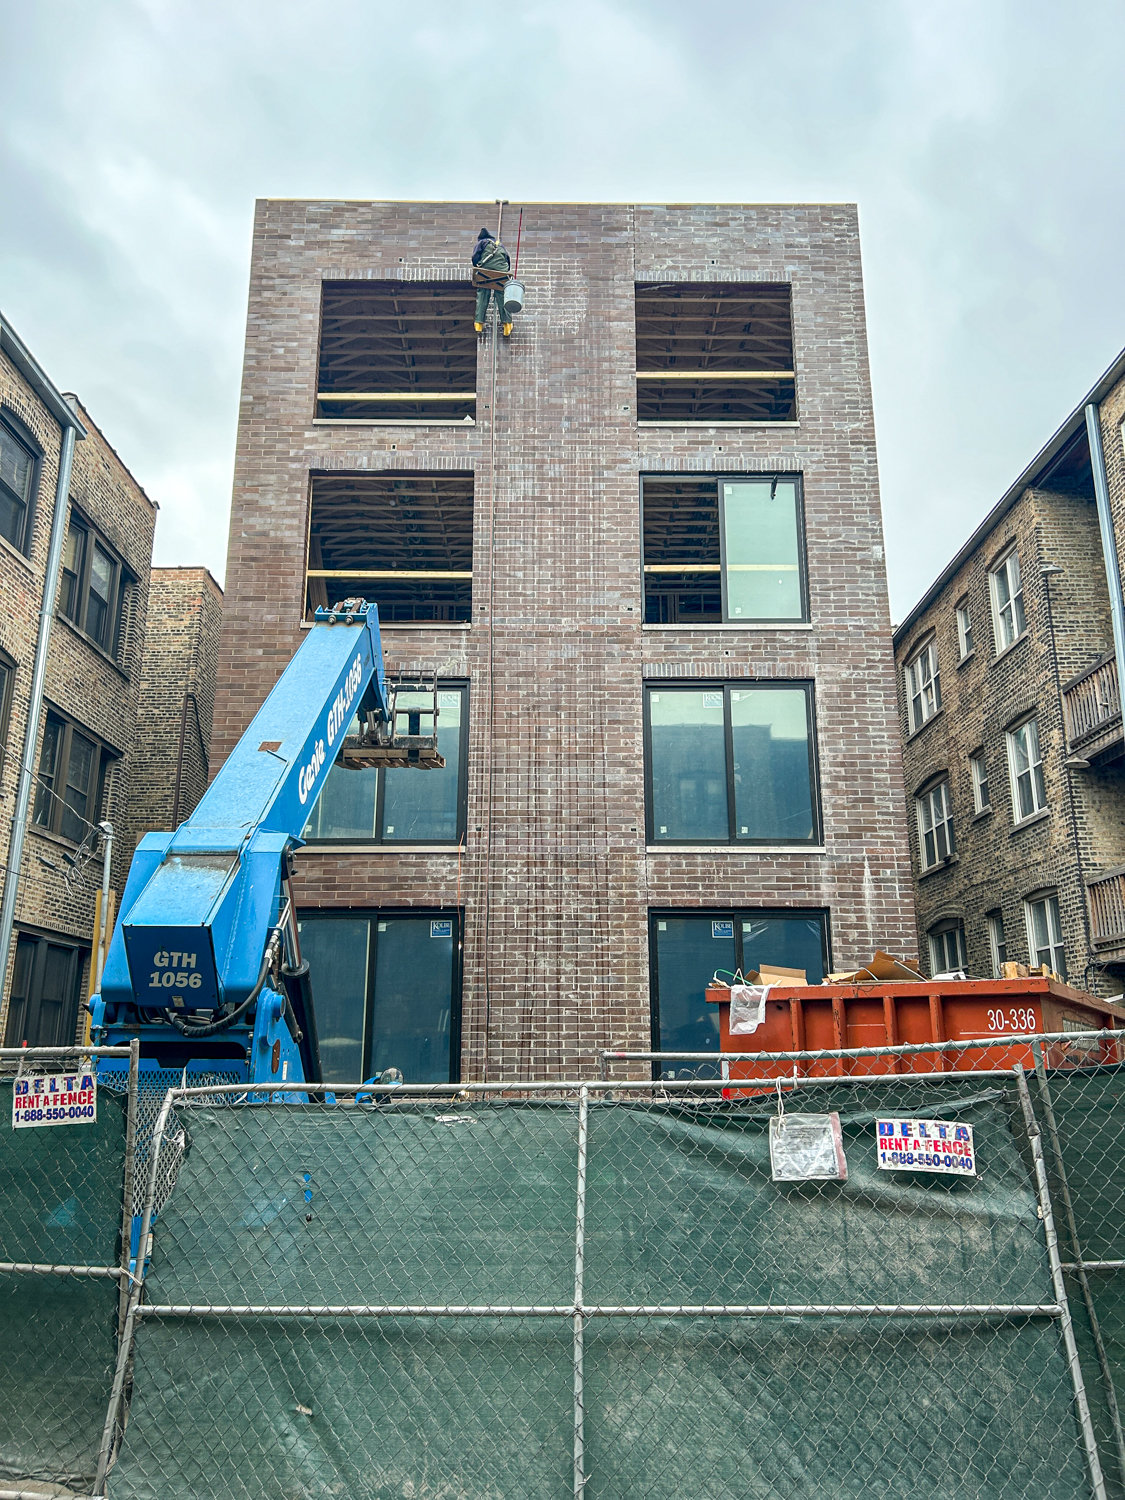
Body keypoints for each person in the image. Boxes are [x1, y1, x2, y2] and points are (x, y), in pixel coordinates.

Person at [471, 227, 513, 336]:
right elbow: (507, 260)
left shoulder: (482, 242)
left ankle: (478, 323)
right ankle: (507, 325)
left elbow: (475, 257)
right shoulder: (500, 245)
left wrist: (477, 266)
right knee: (502, 295)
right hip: (502, 273)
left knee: (483, 293)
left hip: (486, 272)